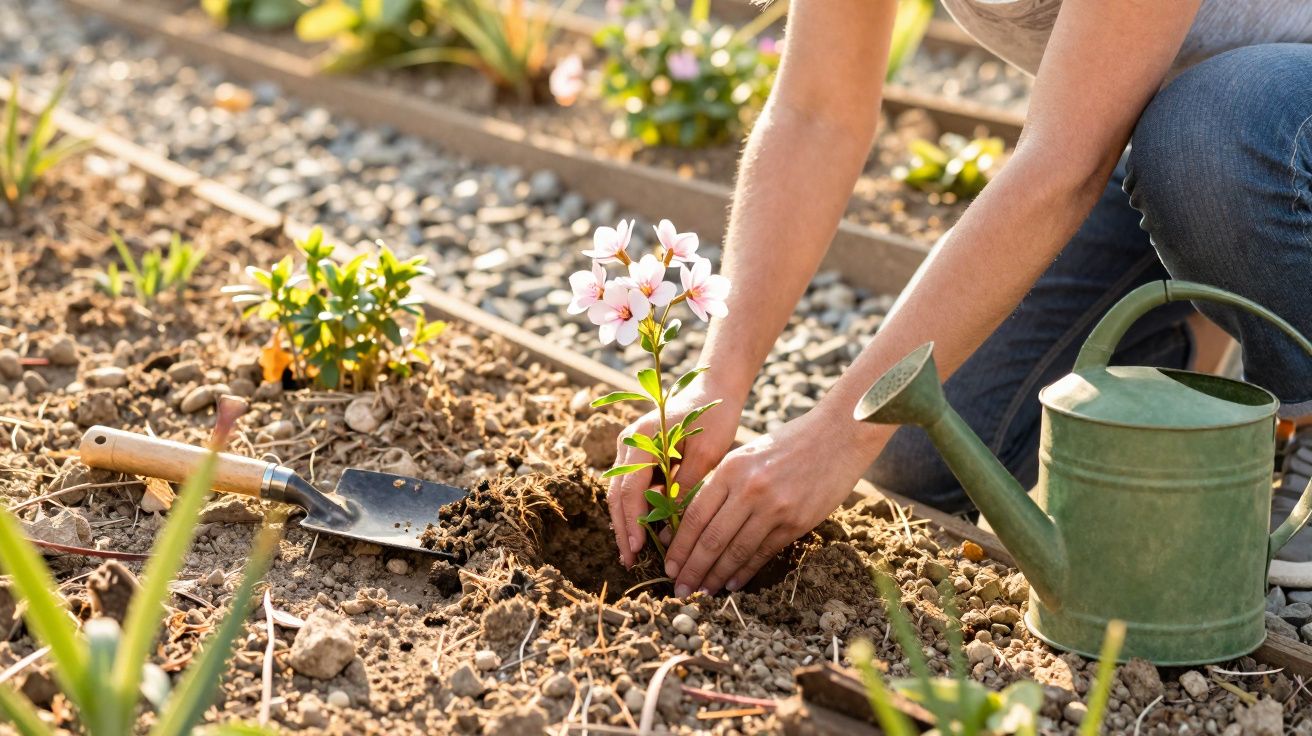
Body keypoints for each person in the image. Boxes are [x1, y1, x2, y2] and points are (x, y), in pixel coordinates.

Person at [605, 0, 1312, 597]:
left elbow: (1065, 161)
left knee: (1209, 134)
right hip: (1154, 143)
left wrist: (831, 439)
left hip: (1259, 128)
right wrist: (717, 378)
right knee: (922, 447)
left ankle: (1301, 414)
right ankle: (1207, 336)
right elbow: (815, 114)